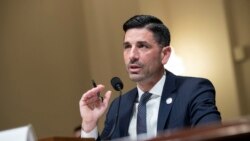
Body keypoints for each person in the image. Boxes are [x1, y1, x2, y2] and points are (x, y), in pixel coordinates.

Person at [79, 15, 221, 140]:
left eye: (143, 46)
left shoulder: (193, 90)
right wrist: (89, 124)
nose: (132, 55)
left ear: (164, 54)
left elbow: (213, 137)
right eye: (127, 46)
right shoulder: (119, 105)